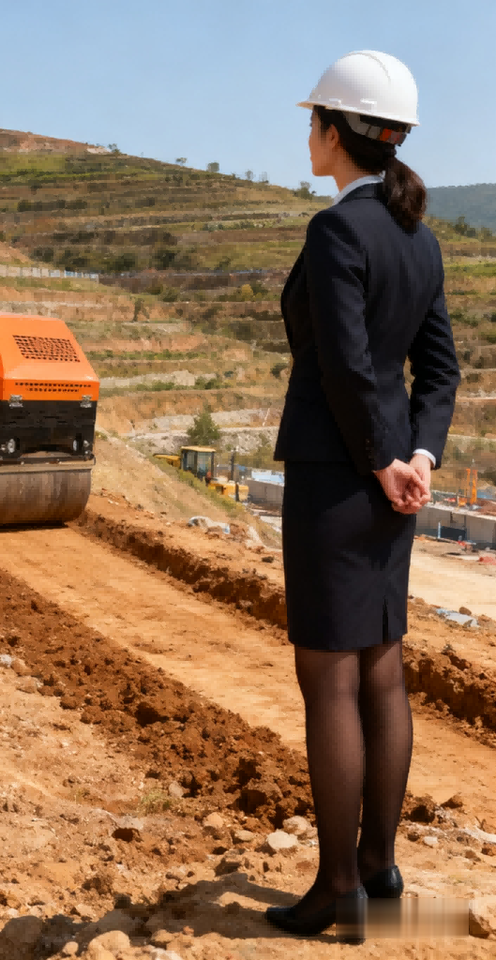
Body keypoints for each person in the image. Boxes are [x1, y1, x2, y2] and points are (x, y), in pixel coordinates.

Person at [267, 51, 461, 941]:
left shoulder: (336, 231)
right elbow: (439, 371)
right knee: (383, 668)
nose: (307, 133)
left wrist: (381, 459)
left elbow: (344, 367)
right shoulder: (420, 238)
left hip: (335, 481)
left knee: (330, 681)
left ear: (336, 131)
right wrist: (416, 456)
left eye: (314, 120)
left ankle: (337, 889)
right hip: (392, 489)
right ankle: (379, 870)